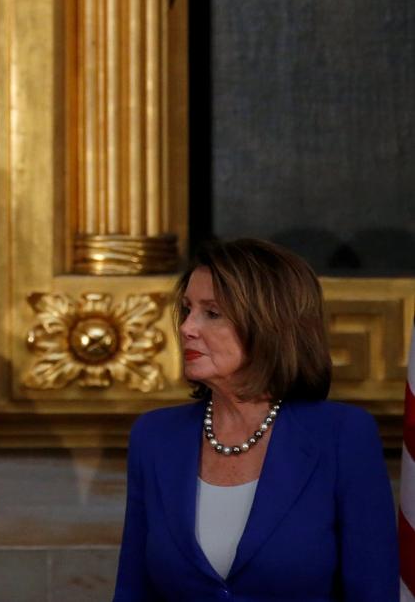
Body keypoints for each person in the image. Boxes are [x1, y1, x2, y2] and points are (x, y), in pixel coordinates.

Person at [113, 238, 398, 601]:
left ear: (269, 324)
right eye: (187, 310)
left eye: (211, 313)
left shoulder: (342, 435)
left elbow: (372, 592)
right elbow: (132, 589)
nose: (186, 327)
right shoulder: (154, 437)